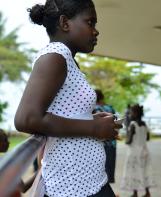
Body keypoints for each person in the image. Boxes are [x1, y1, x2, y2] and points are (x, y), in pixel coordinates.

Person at [14, 1, 122, 196]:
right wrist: (93, 128)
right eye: (90, 22)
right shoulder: (55, 56)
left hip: (89, 181)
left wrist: (92, 119)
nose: (96, 31)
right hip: (72, 187)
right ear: (65, 23)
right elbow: (26, 119)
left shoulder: (67, 60)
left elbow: (63, 113)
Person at [120, 104, 156, 197]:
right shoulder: (144, 124)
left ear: (135, 113)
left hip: (134, 152)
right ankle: (147, 192)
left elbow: (129, 141)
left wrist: (125, 138)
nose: (130, 114)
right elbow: (147, 138)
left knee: (134, 171)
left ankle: (135, 193)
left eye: (131, 112)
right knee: (144, 171)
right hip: (144, 151)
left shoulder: (133, 124)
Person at [93, 89, 117, 183]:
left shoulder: (94, 109)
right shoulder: (110, 108)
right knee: (110, 166)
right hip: (112, 142)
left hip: (100, 142)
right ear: (102, 97)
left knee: (100, 169)